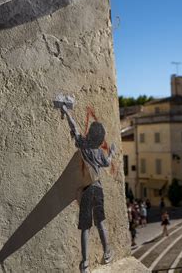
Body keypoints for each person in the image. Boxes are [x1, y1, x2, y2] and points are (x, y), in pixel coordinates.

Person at [61, 105, 115, 273]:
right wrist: (112, 152)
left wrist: (67, 111)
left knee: (85, 227)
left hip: (86, 189)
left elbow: (74, 127)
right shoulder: (99, 152)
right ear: (101, 138)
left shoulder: (83, 146)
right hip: (97, 189)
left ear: (90, 133)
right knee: (101, 222)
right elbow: (107, 162)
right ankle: (107, 253)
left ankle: (84, 263)